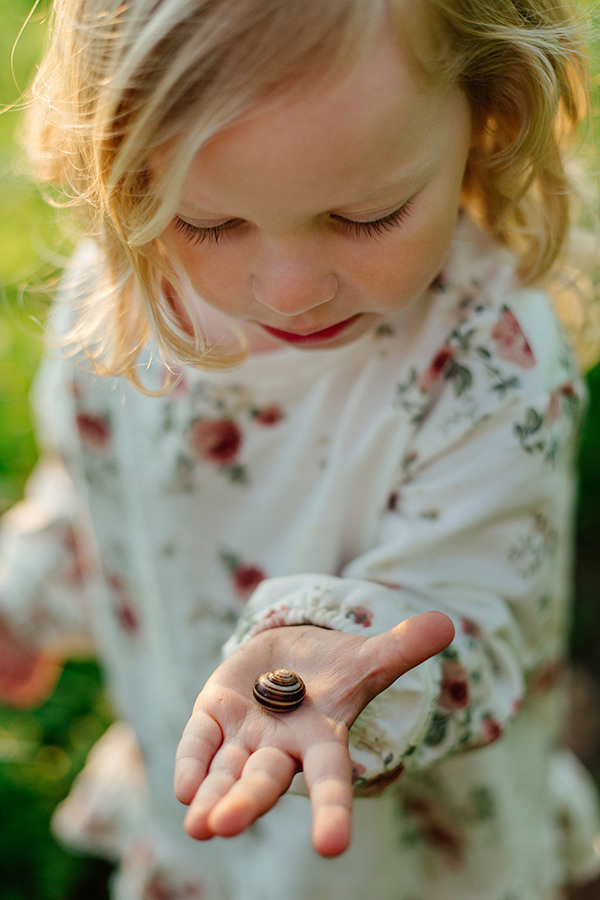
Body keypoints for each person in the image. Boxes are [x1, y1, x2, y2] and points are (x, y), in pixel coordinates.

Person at [1, 0, 599, 896]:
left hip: (398, 860)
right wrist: (27, 587)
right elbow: (98, 492)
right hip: (198, 798)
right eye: (208, 222)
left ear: (489, 113)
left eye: (366, 216)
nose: (290, 290)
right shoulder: (125, 303)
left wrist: (334, 653)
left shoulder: (485, 359)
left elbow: (475, 603)